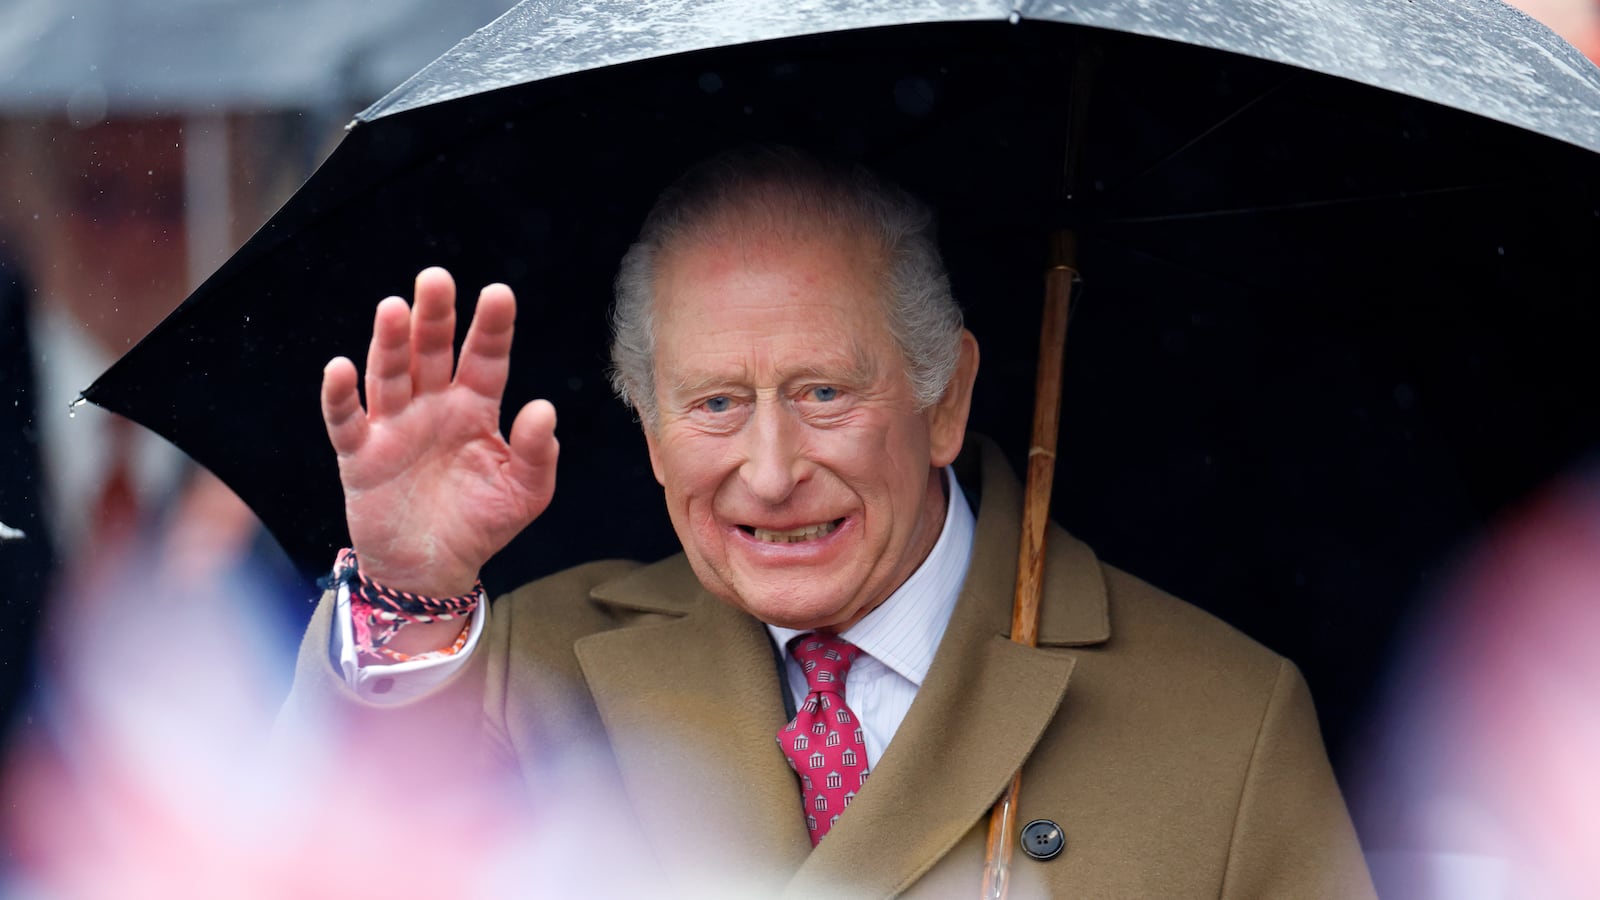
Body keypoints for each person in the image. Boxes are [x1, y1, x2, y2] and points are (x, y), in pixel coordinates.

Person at [282, 148, 1375, 897]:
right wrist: (408, 588)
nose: (769, 473)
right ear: (649, 433)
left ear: (944, 398)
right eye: (714, 404)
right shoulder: (523, 670)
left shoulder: (1225, 724)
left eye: (823, 394)